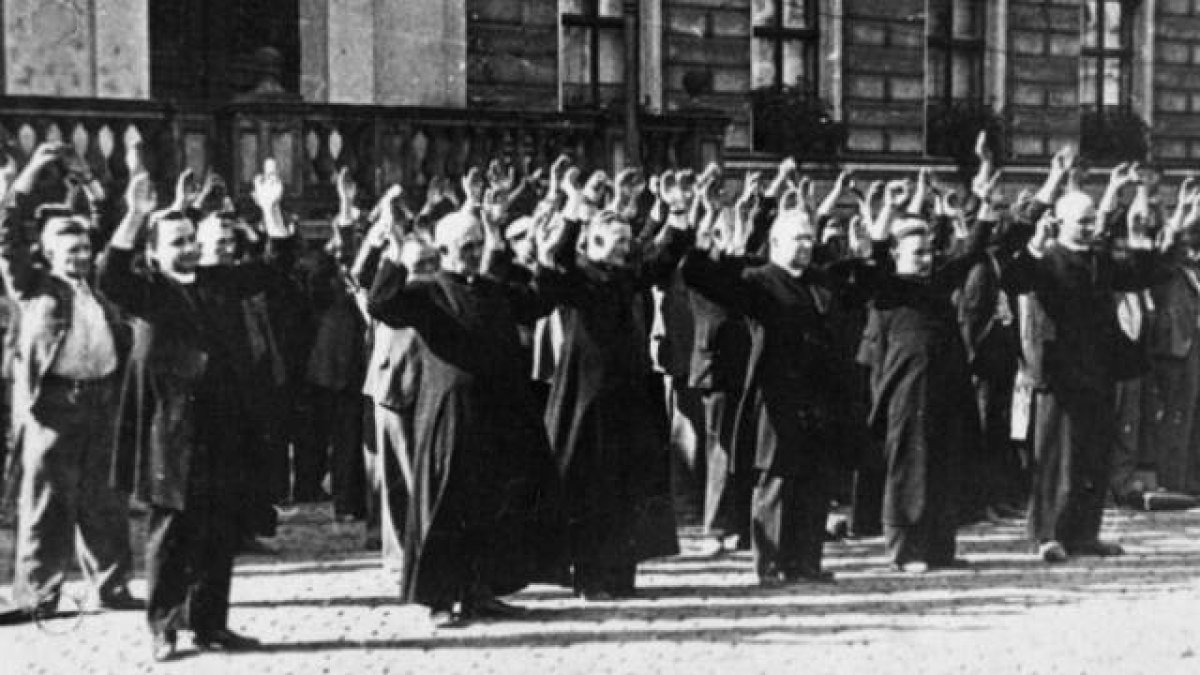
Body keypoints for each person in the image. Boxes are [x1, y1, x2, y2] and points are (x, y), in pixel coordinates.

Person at [100, 159, 291, 660]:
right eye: (176, 243)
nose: (187, 249)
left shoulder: (217, 281)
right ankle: (163, 626)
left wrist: (270, 209)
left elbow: (275, 265)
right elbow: (110, 275)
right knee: (171, 534)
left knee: (221, 528)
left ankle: (210, 624)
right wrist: (136, 216)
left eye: (190, 240)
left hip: (222, 427)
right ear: (155, 253)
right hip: (171, 433)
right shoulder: (147, 290)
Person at [366, 171, 565, 628]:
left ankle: (480, 590)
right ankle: (442, 597)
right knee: (447, 507)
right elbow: (382, 306)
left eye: (479, 244)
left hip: (497, 412)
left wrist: (549, 258)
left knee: (490, 503)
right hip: (450, 415)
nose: (476, 254)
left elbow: (536, 303)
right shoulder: (427, 291)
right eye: (467, 247)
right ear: (445, 250)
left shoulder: (491, 288)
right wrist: (395, 254)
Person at [682, 179, 861, 585]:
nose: (804, 245)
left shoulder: (821, 280)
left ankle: (806, 562)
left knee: (814, 478)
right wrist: (715, 246)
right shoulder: (758, 279)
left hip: (819, 395)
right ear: (776, 242)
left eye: (808, 238)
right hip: (776, 394)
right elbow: (702, 278)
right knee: (777, 477)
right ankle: (772, 563)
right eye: (796, 238)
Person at [1001, 153, 1168, 563]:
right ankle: (1047, 534)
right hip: (1059, 374)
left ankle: (1084, 534)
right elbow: (1009, 262)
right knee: (1057, 459)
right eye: (1084, 221)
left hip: (1099, 371)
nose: (1093, 226)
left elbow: (1141, 275)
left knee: (1094, 456)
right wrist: (1049, 187)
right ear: (1061, 223)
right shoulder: (1044, 261)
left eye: (1094, 219)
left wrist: (1140, 232)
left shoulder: (1099, 258)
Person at [0, 143, 139, 624]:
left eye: (84, 248)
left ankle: (113, 584)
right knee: (45, 502)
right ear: (47, 251)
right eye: (70, 247)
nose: (80, 254)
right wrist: (29, 177)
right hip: (54, 405)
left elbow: (107, 218)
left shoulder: (97, 284)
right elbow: (6, 233)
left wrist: (88, 180)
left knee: (106, 498)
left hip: (104, 399)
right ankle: (37, 594)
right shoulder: (31, 285)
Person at [537, 164, 683, 599]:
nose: (625, 250)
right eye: (617, 243)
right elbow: (557, 259)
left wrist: (675, 209)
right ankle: (589, 576)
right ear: (595, 244)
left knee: (626, 489)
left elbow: (664, 257)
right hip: (587, 403)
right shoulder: (580, 276)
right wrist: (574, 206)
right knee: (588, 491)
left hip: (629, 401)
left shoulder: (627, 276)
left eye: (626, 242)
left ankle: (621, 575)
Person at [858, 172, 997, 573]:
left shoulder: (937, 284)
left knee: (944, 465)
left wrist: (985, 204)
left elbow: (971, 250)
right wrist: (886, 213)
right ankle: (906, 549)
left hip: (947, 390)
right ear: (898, 255)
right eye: (917, 252)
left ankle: (940, 548)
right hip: (907, 394)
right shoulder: (887, 289)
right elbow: (876, 252)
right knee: (910, 470)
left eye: (929, 251)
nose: (926, 258)